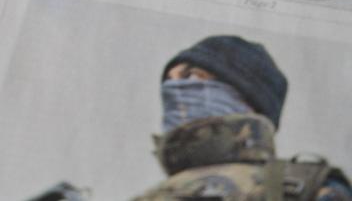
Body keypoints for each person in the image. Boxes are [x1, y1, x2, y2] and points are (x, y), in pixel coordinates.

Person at [131, 35, 351, 201]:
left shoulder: (306, 189)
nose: (175, 89)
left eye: (191, 75)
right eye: (170, 81)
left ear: (247, 98)